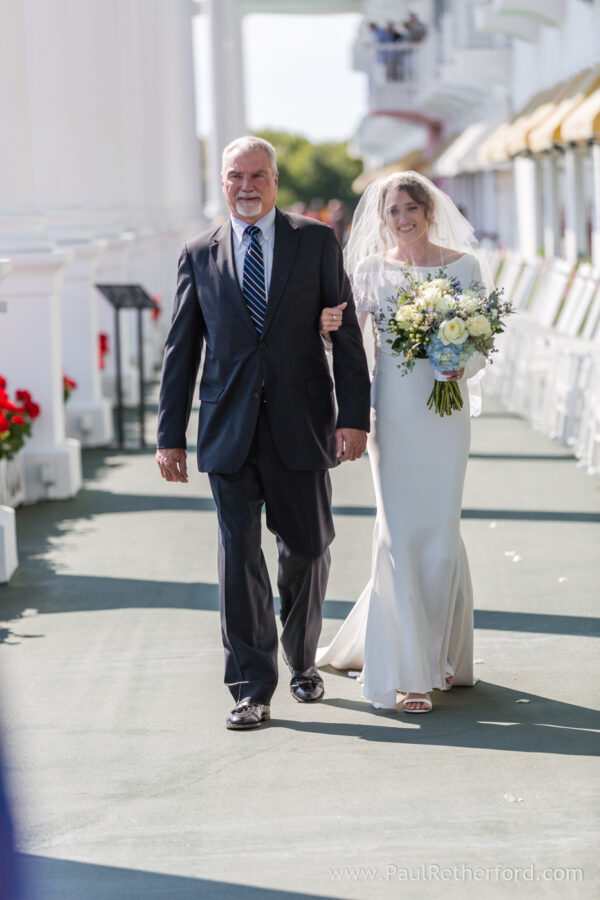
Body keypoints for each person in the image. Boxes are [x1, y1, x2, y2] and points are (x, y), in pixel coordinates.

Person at [156, 136, 371, 730]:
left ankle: (302, 658)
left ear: (275, 181)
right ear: (221, 183)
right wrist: (168, 436)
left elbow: (345, 334)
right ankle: (252, 686)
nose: (245, 186)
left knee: (308, 547)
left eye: (257, 175)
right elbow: (181, 351)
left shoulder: (317, 241)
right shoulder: (198, 253)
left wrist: (354, 417)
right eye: (234, 176)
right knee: (238, 559)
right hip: (228, 430)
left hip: (302, 425)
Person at [316, 171, 492, 713]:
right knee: (397, 534)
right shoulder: (369, 270)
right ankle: (409, 673)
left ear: (429, 209)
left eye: (410, 208)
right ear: (383, 217)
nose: (401, 219)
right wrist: (324, 328)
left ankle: (441, 655)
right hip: (391, 415)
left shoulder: (466, 268)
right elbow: (350, 343)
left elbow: (484, 339)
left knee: (439, 534)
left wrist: (462, 363)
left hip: (446, 413)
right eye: (392, 211)